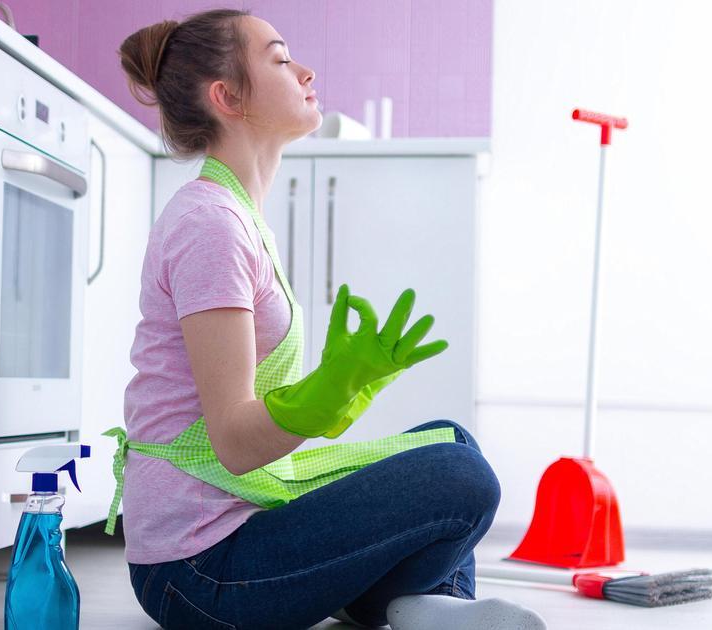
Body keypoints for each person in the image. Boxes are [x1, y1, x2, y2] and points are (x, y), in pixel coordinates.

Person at [106, 8, 546, 630]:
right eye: (281, 59)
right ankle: (416, 601)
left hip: (244, 525)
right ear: (228, 98)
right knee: (461, 476)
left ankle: (421, 604)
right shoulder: (210, 226)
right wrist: (326, 394)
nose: (306, 71)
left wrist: (345, 388)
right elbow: (233, 443)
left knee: (449, 440)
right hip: (198, 572)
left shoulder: (236, 215)